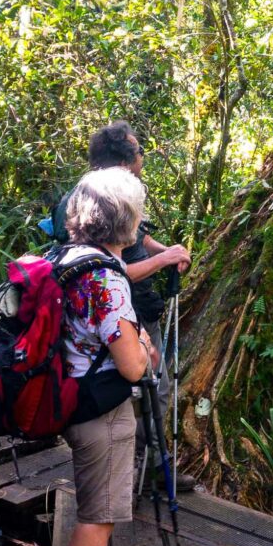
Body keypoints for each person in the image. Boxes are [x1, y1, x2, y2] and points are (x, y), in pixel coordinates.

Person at [44, 122, 196, 489]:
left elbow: (136, 237)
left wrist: (164, 251)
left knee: (150, 389)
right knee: (141, 388)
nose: (143, 157)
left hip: (129, 310)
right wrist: (161, 262)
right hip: (121, 317)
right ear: (127, 161)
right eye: (140, 152)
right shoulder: (101, 197)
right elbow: (105, 273)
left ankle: (144, 468)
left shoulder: (94, 193)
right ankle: (140, 472)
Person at [53, 168, 157, 546]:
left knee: (101, 509)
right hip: (100, 409)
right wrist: (145, 351)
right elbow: (133, 365)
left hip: (74, 396)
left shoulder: (69, 258)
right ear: (125, 219)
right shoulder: (107, 279)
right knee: (97, 517)